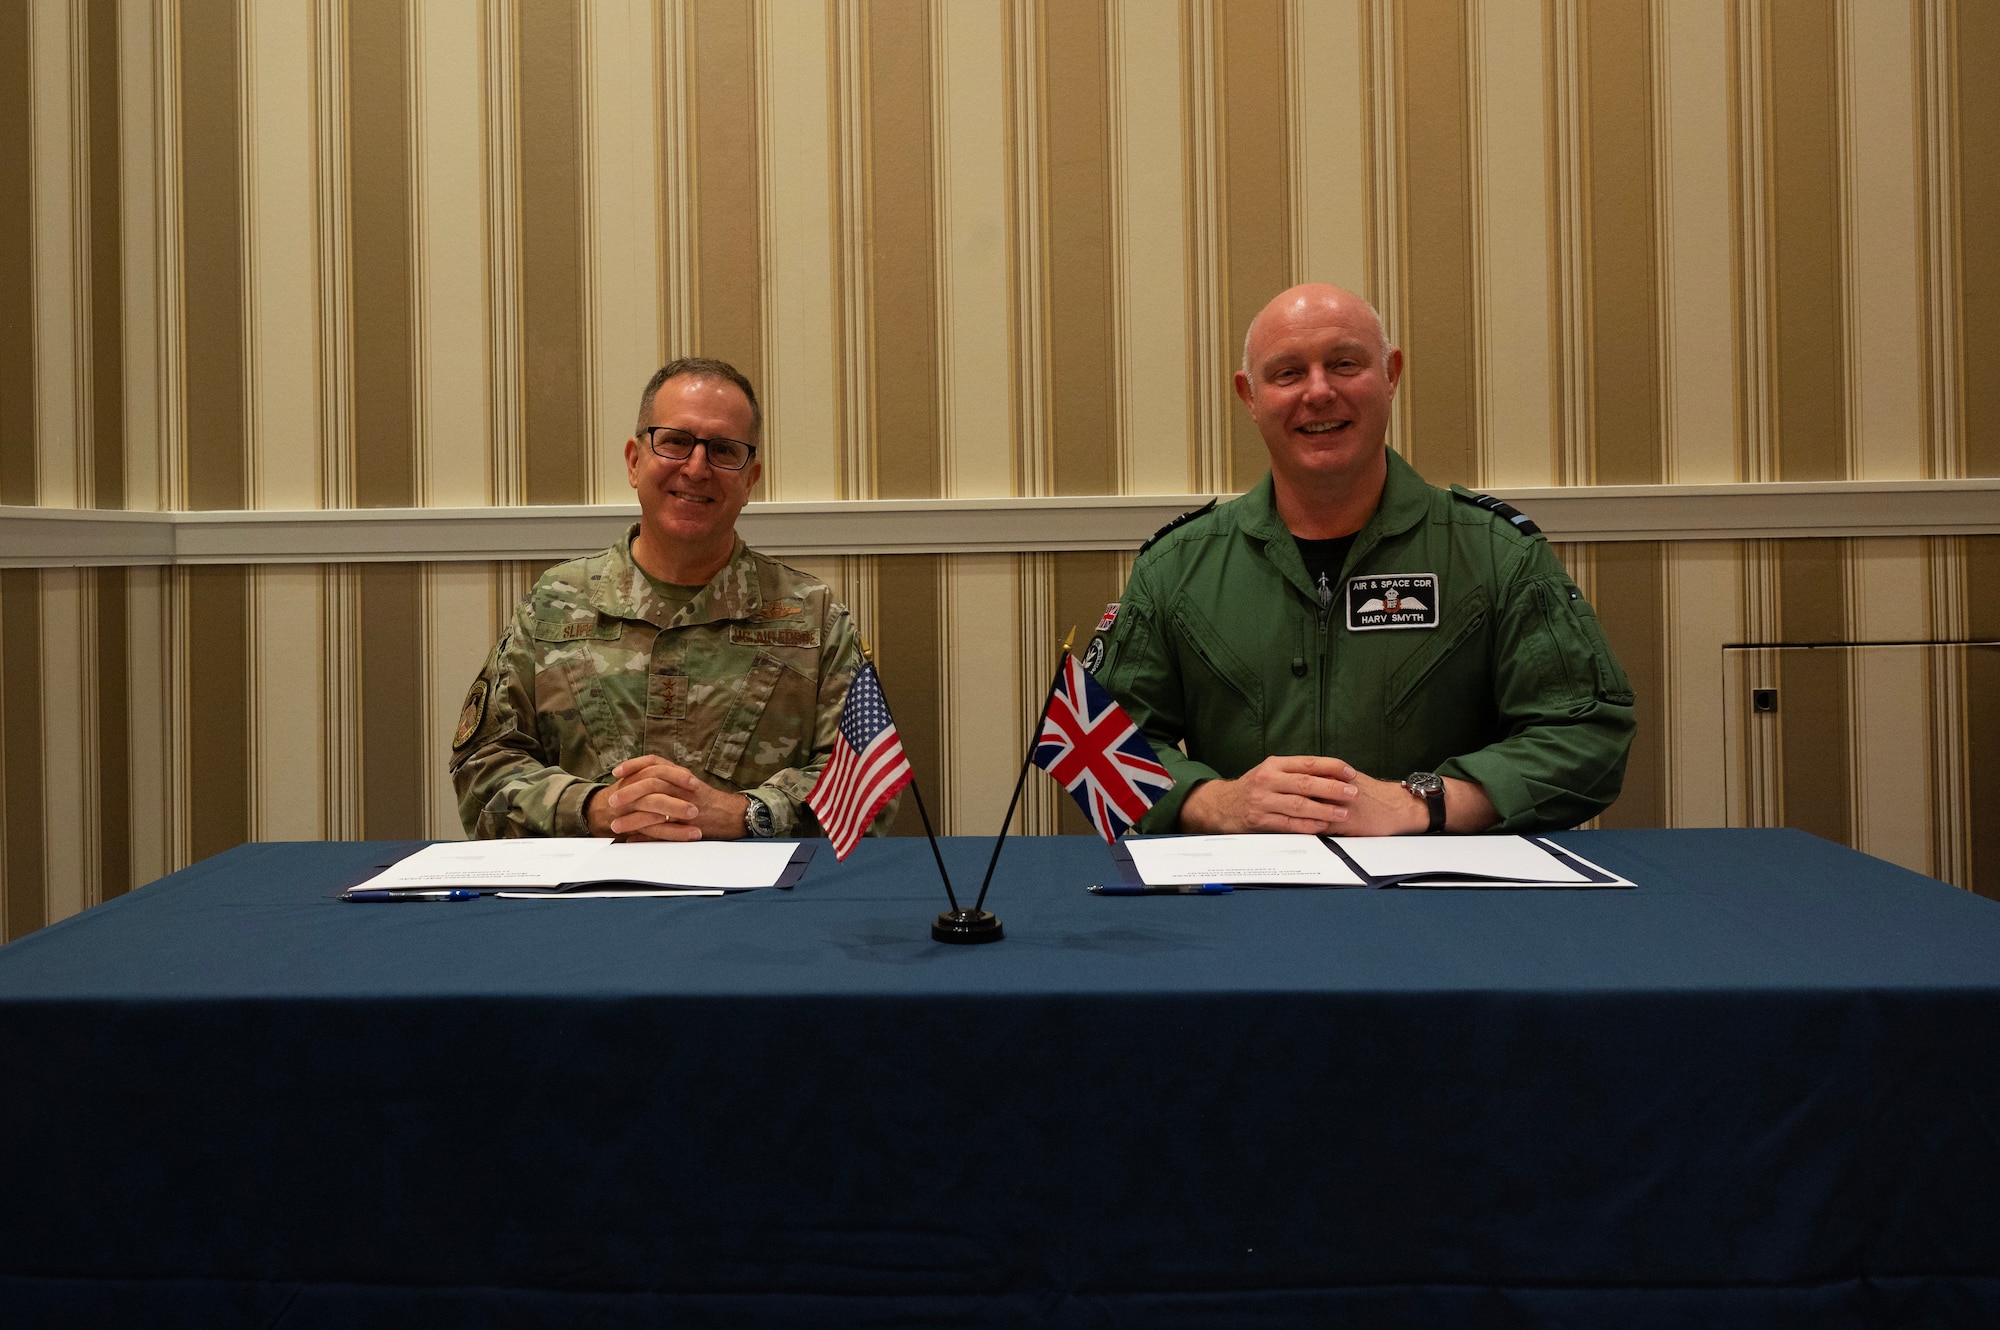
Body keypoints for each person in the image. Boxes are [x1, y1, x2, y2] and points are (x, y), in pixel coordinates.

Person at [1088, 284, 1634, 835]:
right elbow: (1094, 743)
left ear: (1392, 374)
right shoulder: (1177, 566)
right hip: (1241, 897)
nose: (1319, 392)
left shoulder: (1496, 553)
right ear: (1249, 396)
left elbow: (1586, 735)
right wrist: (1214, 801)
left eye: (1345, 364)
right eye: (1287, 373)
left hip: (1443, 899)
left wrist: (1421, 804)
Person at [451, 357, 866, 840]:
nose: (696, 468)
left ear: (751, 480)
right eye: (675, 442)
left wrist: (746, 814)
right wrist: (596, 807)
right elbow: (482, 765)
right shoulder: (554, 604)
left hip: (758, 903)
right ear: (634, 460)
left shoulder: (812, 615)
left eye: (724, 450)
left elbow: (863, 786)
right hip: (584, 899)